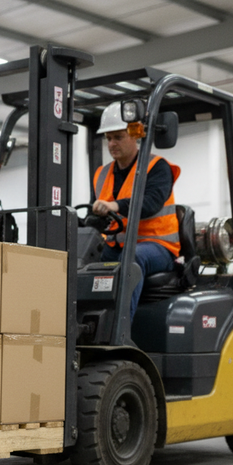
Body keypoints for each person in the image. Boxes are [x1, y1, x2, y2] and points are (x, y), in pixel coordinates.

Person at [91, 101, 181, 320]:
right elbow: (101, 217)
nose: (112, 143)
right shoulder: (102, 174)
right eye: (108, 138)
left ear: (134, 135)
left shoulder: (156, 167)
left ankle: (121, 329)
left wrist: (116, 206)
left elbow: (150, 204)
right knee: (84, 258)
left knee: (132, 257)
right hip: (118, 244)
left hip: (158, 245)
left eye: (118, 137)